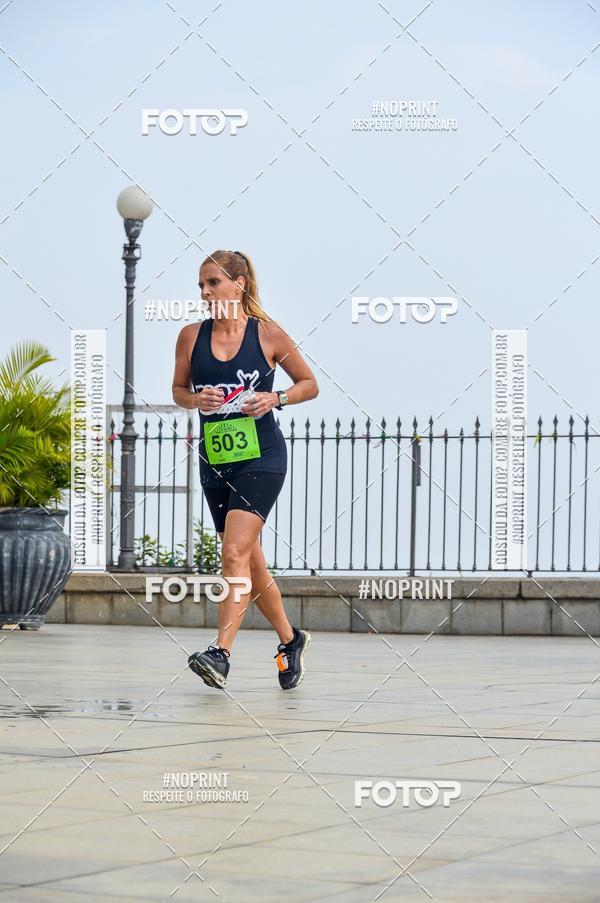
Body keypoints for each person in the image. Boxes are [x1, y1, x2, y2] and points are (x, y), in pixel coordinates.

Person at [172, 249, 319, 690]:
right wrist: (195, 400)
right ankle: (291, 640)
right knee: (250, 563)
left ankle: (220, 654)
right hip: (216, 460)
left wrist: (276, 399)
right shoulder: (189, 337)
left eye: (213, 282)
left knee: (234, 554)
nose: (204, 292)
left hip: (263, 458)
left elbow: (309, 384)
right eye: (200, 285)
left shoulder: (268, 335)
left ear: (239, 284)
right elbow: (179, 389)